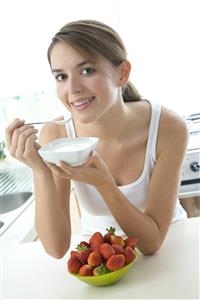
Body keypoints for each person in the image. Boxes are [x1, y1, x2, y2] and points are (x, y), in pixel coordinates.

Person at [5, 19, 189, 258]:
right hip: (101, 256)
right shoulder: (57, 134)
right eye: (61, 76)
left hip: (171, 248)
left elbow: (151, 242)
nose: (73, 89)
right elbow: (56, 248)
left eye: (87, 71)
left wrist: (104, 184)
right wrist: (40, 171)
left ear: (122, 73)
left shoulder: (167, 127)